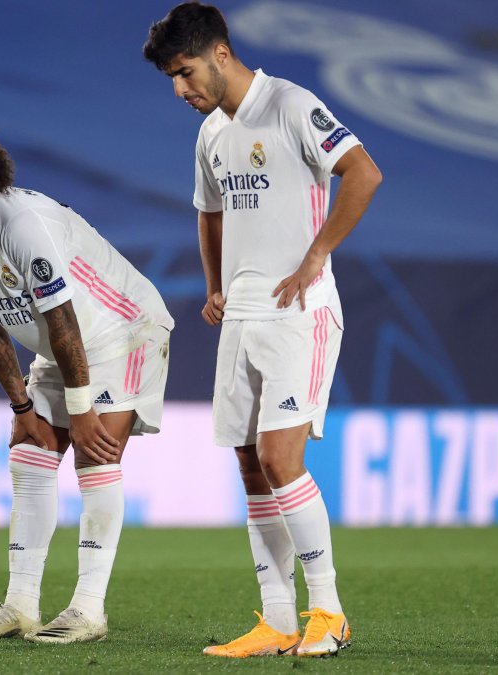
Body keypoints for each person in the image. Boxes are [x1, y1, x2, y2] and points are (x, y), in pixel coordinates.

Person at [143, 2, 383, 659]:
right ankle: (277, 621)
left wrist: (317, 253)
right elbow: (209, 211)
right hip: (243, 316)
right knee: (251, 465)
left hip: (300, 312)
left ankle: (329, 612)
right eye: (171, 78)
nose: (180, 90)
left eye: (186, 73)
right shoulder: (211, 134)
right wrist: (215, 284)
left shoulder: (290, 105)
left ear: (220, 54)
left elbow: (364, 173)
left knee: (280, 459)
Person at [0, 118, 173, 644]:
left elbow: (64, 318)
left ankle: (88, 610)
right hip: (60, 345)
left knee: (96, 454)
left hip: (125, 332)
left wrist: (81, 410)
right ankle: (20, 606)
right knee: (28, 453)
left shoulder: (21, 223)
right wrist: (21, 406)